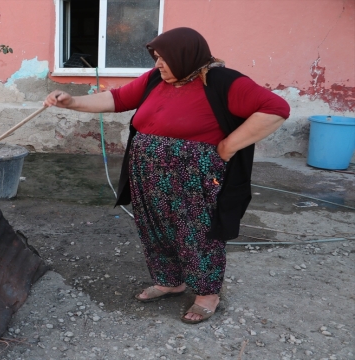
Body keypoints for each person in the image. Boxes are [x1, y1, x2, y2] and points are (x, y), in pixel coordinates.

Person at [43, 27, 290, 324]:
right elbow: (117, 99)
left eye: (164, 58)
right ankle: (171, 281)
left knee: (198, 234)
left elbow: (276, 109)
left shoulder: (223, 81)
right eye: (157, 58)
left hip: (194, 179)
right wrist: (72, 102)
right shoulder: (155, 79)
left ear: (186, 56)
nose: (158, 64)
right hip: (147, 174)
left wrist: (227, 147)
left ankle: (206, 294)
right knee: (154, 229)